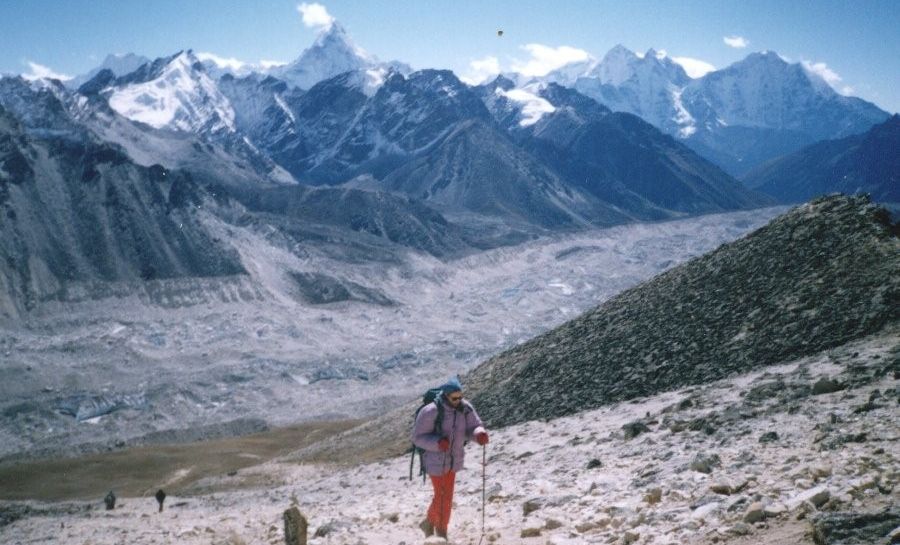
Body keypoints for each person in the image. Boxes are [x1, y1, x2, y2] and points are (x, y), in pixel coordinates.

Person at [412, 377, 489, 539]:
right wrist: (438, 443)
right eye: (455, 398)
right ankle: (441, 532)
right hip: (435, 462)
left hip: (454, 461)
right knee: (442, 497)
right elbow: (418, 437)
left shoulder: (465, 408)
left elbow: (473, 426)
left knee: (445, 496)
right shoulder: (431, 411)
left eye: (461, 396)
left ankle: (429, 522)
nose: (459, 400)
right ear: (445, 396)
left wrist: (479, 434)